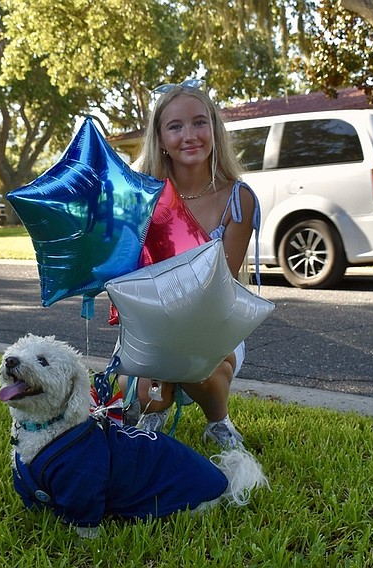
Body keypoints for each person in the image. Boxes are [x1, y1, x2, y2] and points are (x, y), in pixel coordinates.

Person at [122, 80, 260, 449]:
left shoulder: (238, 198)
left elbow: (222, 290)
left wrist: (177, 343)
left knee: (196, 368)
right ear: (160, 139)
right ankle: (154, 408)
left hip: (213, 326)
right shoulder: (142, 198)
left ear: (215, 129)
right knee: (141, 392)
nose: (190, 136)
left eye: (200, 122)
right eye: (175, 126)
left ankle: (218, 421)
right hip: (151, 323)